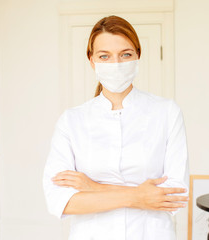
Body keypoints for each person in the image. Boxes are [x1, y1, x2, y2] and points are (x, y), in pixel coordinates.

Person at [43, 15, 189, 240]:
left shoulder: (167, 112)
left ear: (138, 55)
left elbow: (174, 198)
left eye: (126, 54)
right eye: (105, 56)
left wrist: (93, 187)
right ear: (92, 61)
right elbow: (59, 201)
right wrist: (140, 196)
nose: (116, 64)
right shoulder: (71, 121)